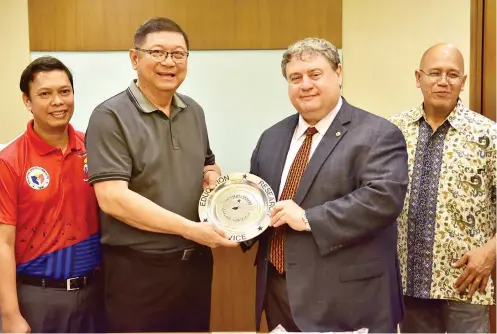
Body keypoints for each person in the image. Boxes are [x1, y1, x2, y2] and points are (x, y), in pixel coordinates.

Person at [243, 37, 409, 333]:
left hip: (347, 301)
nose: (305, 84)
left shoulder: (378, 134)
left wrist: (307, 218)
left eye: (315, 74)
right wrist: (228, 217)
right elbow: (260, 201)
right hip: (280, 295)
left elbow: (382, 200)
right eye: (296, 78)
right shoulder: (271, 137)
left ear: (339, 74)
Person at [85, 17, 238, 333]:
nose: (170, 62)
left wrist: (211, 175)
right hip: (137, 271)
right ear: (134, 58)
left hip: (195, 266)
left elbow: (208, 163)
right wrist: (190, 229)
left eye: (178, 54)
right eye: (158, 52)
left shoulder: (193, 111)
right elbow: (113, 199)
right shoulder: (109, 116)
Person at [390, 43, 496, 333]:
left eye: (452, 74)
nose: (443, 81)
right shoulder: (391, 133)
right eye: (434, 72)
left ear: (463, 81)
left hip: (467, 282)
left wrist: (491, 251)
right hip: (408, 284)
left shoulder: (488, 135)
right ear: (418, 77)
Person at [0, 56, 104, 333]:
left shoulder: (95, 147)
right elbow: (3, 243)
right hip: (38, 297)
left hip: (97, 292)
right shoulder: (9, 161)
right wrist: (10, 315)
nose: (58, 102)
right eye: (45, 94)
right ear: (27, 101)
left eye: (64, 91)